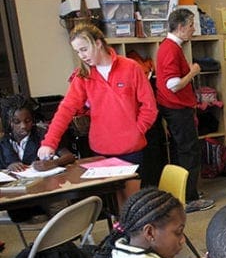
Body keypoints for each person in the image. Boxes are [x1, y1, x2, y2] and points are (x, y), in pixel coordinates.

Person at [37, 24, 156, 177]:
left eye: (84, 49)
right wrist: (49, 142)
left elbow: (149, 106)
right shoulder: (83, 76)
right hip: (100, 149)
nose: (82, 55)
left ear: (98, 43)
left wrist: (137, 130)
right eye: (77, 51)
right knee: (109, 199)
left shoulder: (131, 68)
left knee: (130, 198)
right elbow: (66, 110)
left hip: (131, 148)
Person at [156, 8, 214, 213]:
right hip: (177, 108)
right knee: (189, 152)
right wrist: (193, 72)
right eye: (191, 25)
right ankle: (189, 198)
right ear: (180, 27)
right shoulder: (171, 49)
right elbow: (174, 84)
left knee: (182, 151)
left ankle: (184, 194)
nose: (193, 29)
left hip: (174, 106)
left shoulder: (170, 47)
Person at [1, 94, 75, 222]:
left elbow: (69, 156)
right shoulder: (4, 143)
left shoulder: (42, 134)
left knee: (59, 207)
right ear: (9, 122)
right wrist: (8, 168)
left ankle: (64, 237)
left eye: (27, 120)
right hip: (17, 198)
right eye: (16, 122)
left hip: (44, 191)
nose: (23, 126)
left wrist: (53, 163)